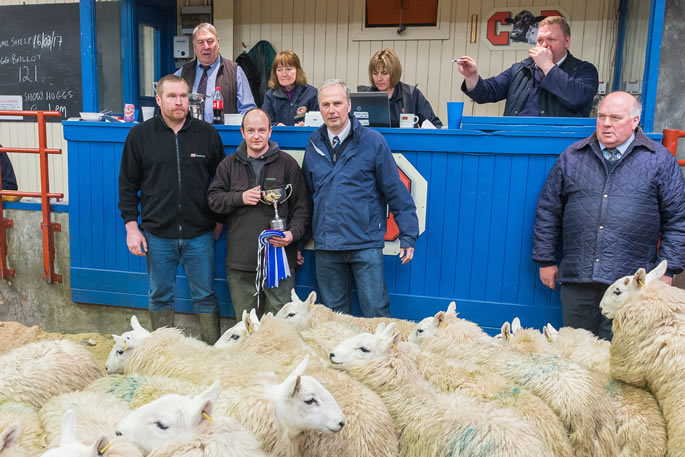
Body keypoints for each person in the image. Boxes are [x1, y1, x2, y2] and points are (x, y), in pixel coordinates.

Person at [532, 91, 685, 340]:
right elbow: (549, 210)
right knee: (575, 350)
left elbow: (678, 220)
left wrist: (667, 271)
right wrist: (545, 259)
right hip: (579, 278)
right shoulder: (573, 156)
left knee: (618, 353)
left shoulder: (660, 161)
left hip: (630, 285)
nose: (606, 123)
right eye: (601, 116)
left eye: (615, 117)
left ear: (635, 121)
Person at [118, 74, 225, 343]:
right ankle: (164, 352)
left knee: (205, 295)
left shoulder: (207, 134)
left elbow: (222, 182)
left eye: (183, 96)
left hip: (200, 234)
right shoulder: (139, 136)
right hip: (157, 234)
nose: (179, 102)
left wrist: (219, 221)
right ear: (159, 100)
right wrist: (132, 227)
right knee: (159, 296)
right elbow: (127, 186)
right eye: (172, 96)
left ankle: (212, 352)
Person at [302, 79, 419, 317]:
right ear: (319, 108)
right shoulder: (313, 143)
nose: (331, 110)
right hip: (327, 245)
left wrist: (408, 235)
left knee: (376, 314)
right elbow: (307, 197)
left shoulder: (373, 141)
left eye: (337, 103)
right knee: (333, 318)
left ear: (349, 105)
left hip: (365, 244)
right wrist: (299, 241)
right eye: (325, 105)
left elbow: (395, 190)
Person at [207, 108, 310, 318]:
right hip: (241, 262)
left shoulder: (287, 164)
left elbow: (302, 208)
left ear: (270, 131)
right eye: (251, 130)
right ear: (242, 132)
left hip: (280, 262)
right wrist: (240, 198)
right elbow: (213, 200)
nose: (256, 136)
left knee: (280, 325)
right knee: (247, 325)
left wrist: (293, 235)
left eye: (262, 130)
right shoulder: (228, 165)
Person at [458, 16, 598, 117]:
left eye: (551, 39)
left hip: (560, 145)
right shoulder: (521, 69)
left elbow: (579, 98)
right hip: (516, 142)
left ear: (567, 41)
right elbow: (487, 92)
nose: (544, 45)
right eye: (540, 40)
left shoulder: (584, 69)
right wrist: (471, 76)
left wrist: (547, 66)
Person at [176, 23, 256, 123]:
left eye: (210, 41)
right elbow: (167, 98)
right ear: (194, 46)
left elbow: (247, 110)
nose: (206, 46)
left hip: (222, 132)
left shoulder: (235, 71)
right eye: (200, 42)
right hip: (189, 131)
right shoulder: (183, 72)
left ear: (218, 43)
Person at [358, 48, 443, 128]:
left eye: (384, 73)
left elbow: (434, 125)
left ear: (394, 73)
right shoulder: (363, 97)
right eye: (375, 73)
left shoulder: (412, 95)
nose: (379, 79)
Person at [261, 51, 319, 126]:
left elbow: (319, 122)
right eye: (279, 70)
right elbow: (264, 122)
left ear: (297, 71)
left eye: (288, 69)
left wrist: (306, 125)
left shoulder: (311, 93)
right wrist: (276, 125)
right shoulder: (270, 96)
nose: (284, 74)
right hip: (278, 134)